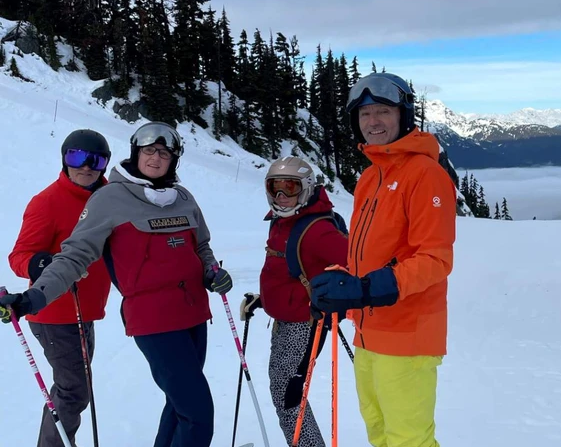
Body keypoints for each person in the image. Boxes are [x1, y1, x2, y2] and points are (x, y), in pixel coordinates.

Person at [0, 121, 233, 447]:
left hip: (194, 315)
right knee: (197, 412)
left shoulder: (182, 197)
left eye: (164, 153)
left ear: (174, 160)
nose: (156, 158)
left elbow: (201, 247)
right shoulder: (109, 199)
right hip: (150, 317)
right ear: (136, 153)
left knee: (178, 403)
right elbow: (72, 256)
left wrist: (211, 271)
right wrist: (32, 297)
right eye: (149, 151)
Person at [309, 73, 457, 447]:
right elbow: (372, 253)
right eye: (365, 114)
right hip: (367, 332)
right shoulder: (370, 176)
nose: (373, 122)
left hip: (407, 334)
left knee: (408, 440)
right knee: (379, 433)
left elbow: (435, 258)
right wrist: (342, 283)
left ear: (403, 116)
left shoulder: (425, 174)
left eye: (383, 112)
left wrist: (366, 288)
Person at [5, 129, 112, 447]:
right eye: (76, 157)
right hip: (53, 313)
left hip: (85, 312)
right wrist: (37, 263)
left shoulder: (110, 200)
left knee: (75, 388)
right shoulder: (47, 202)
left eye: (96, 160)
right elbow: (18, 255)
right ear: (64, 159)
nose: (86, 166)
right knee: (73, 391)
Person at [240, 156, 348, 447]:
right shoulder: (284, 221)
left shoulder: (316, 229)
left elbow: (358, 261)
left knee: (288, 395)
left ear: (306, 188)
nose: (281, 196)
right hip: (287, 320)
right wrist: (265, 299)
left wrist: (337, 297)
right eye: (275, 188)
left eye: (290, 188)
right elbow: (291, 270)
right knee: (286, 391)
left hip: (304, 324)